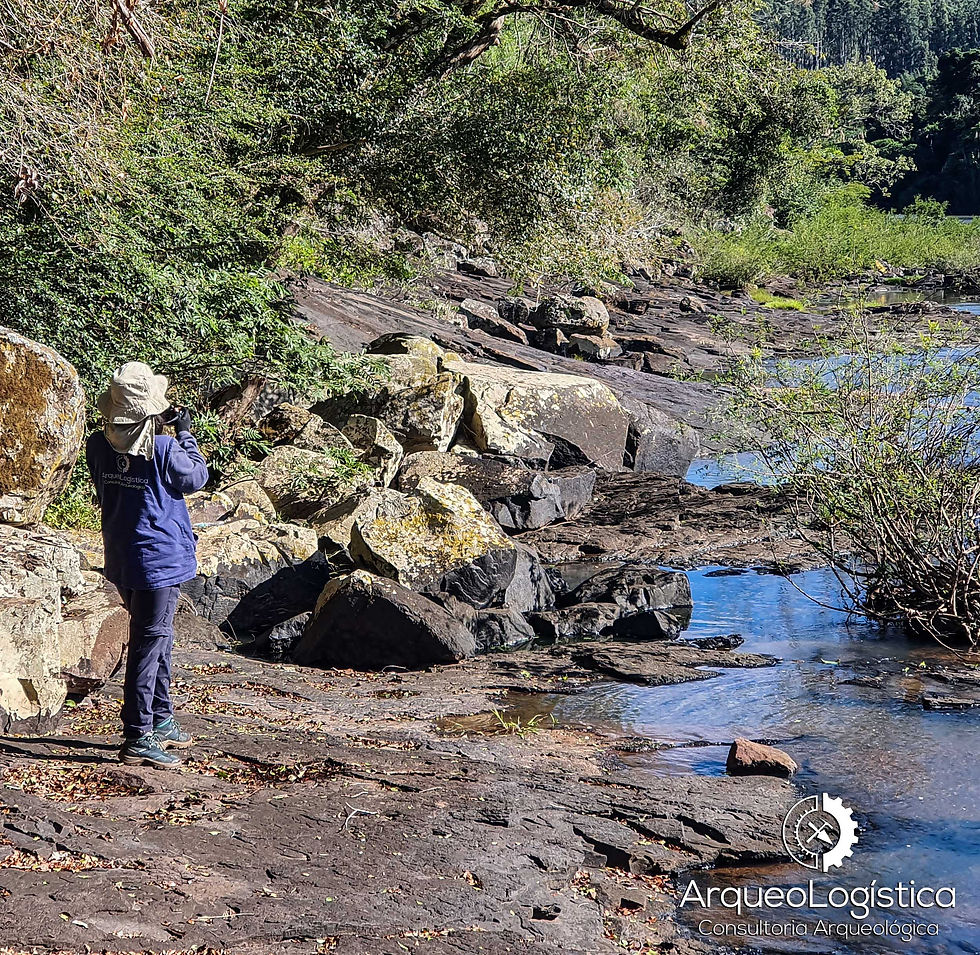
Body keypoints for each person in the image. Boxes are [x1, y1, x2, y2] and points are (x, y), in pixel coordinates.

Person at [86, 362, 209, 768]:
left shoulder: (97, 445)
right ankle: (138, 733)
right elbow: (196, 478)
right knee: (149, 642)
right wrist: (185, 432)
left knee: (158, 637)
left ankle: (161, 717)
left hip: (122, 556)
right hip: (160, 558)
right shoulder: (164, 448)